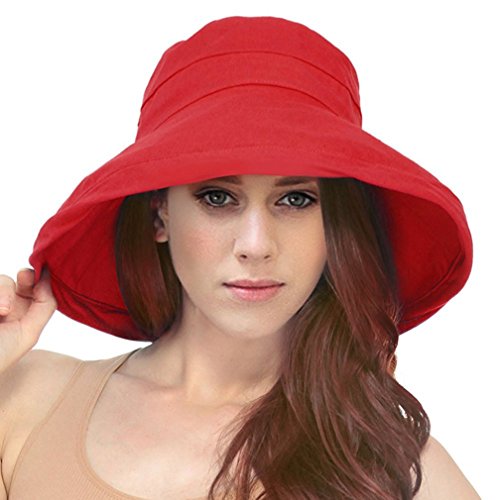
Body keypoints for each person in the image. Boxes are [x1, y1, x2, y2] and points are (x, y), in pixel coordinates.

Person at [0, 15, 481, 500]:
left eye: (295, 199)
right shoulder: (27, 398)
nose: (256, 244)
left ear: (334, 225)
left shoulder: (395, 468)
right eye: (218, 198)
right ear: (159, 215)